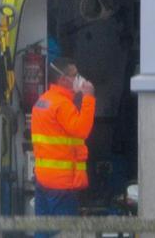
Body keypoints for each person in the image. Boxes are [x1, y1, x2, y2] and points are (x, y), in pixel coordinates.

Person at [31, 57, 95, 237]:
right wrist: (89, 98)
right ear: (62, 79)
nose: (78, 79)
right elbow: (82, 130)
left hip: (43, 180)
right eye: (74, 75)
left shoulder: (42, 102)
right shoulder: (62, 105)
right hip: (62, 184)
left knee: (43, 232)